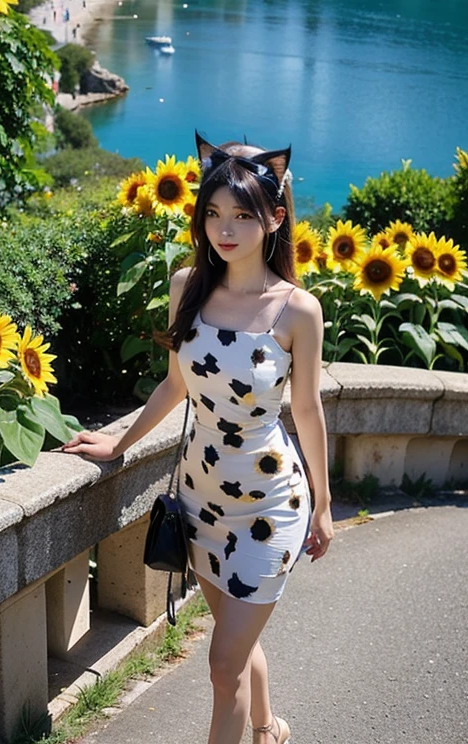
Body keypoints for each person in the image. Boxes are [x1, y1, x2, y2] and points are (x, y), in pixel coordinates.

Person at [62, 132, 333, 744]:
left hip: (270, 508)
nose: (224, 229)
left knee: (221, 663)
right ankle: (268, 729)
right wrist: (118, 445)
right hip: (200, 501)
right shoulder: (187, 285)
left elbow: (309, 411)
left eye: (241, 215)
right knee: (234, 651)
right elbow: (175, 385)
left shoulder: (297, 310)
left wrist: (323, 503)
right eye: (213, 213)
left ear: (276, 218)